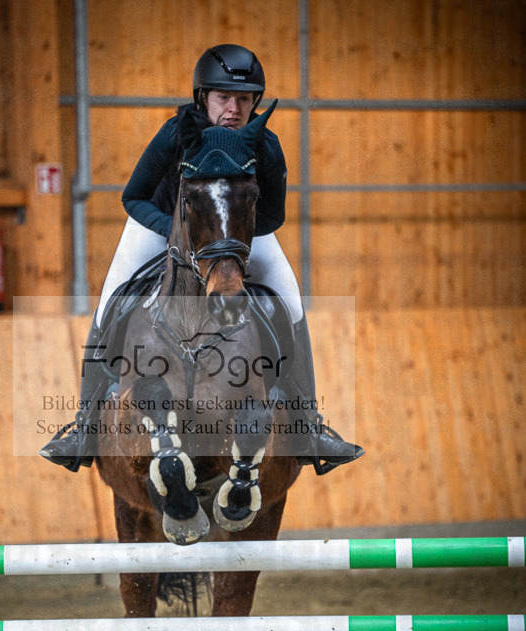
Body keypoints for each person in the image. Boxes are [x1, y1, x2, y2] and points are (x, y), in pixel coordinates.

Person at [41, 43, 363, 474]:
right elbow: (132, 196)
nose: (234, 108)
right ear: (202, 99)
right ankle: (83, 425)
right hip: (162, 227)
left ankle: (309, 425)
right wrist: (179, 236)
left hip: (236, 237)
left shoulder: (266, 145)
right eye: (223, 98)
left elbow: (274, 214)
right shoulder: (174, 134)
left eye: (244, 100)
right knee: (110, 298)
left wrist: (234, 242)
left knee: (289, 299)